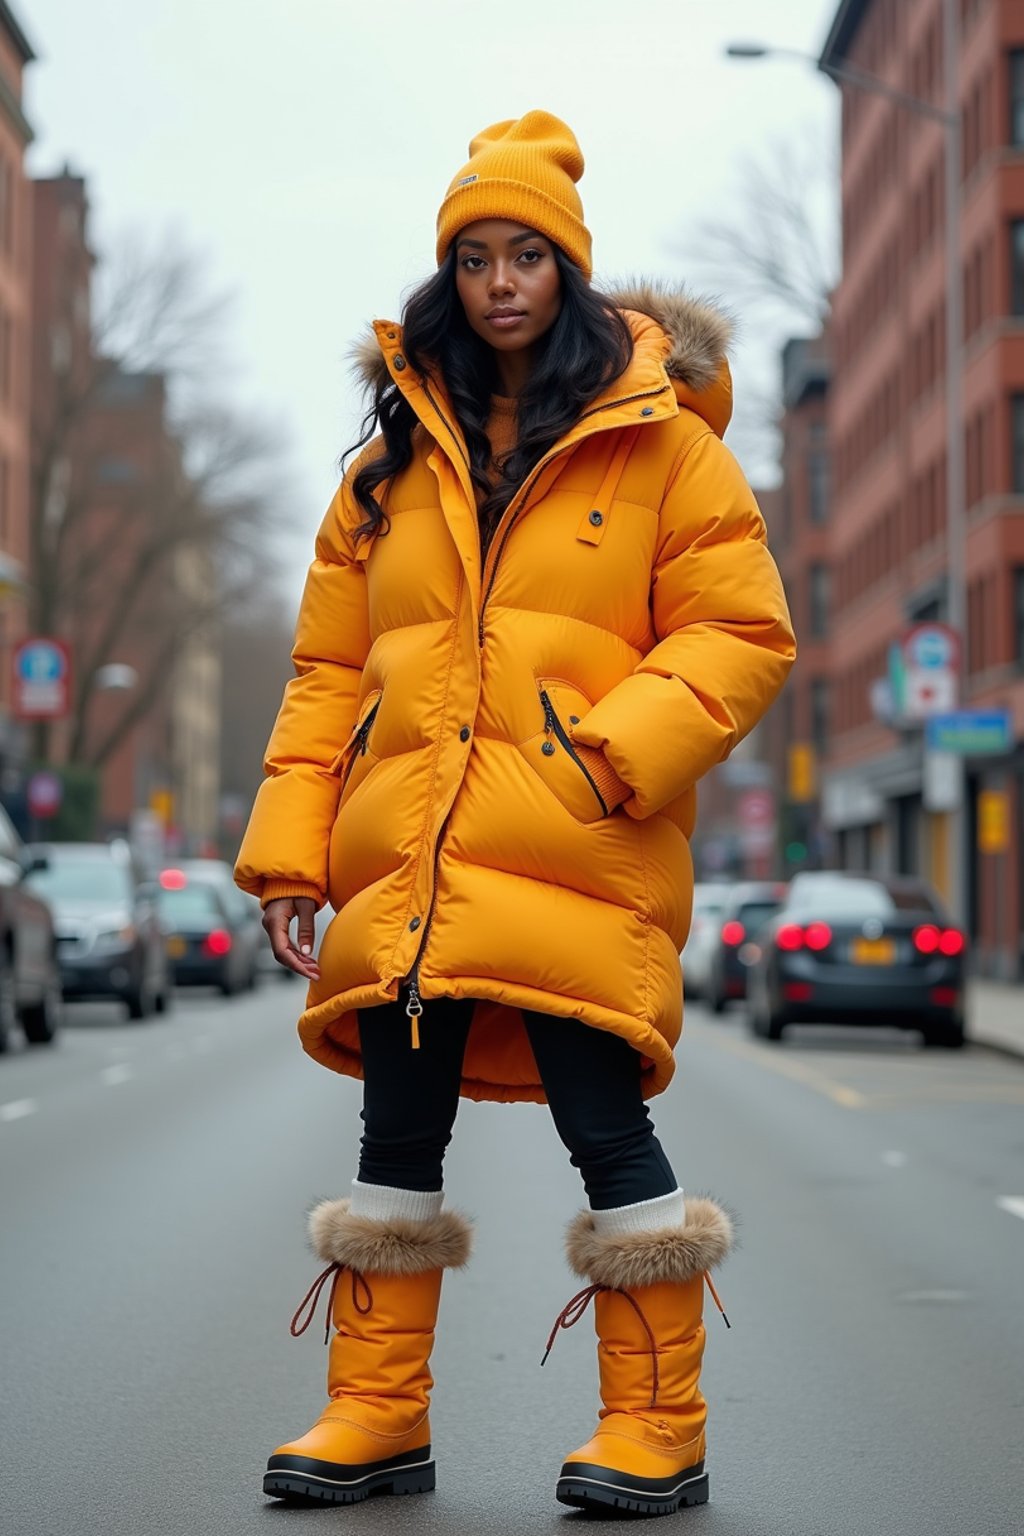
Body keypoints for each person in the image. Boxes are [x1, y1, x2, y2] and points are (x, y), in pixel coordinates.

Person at [234, 109, 796, 1517]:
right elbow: (324, 676)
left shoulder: (665, 450)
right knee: (394, 1138)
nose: (499, 281)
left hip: (574, 850)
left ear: (570, 271)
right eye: (474, 255)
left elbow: (742, 635)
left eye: (526, 255)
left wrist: (610, 759)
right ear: (447, 274)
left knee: (608, 1128)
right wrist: (293, 855)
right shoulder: (387, 469)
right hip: (414, 866)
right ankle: (374, 1414)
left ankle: (659, 1426)